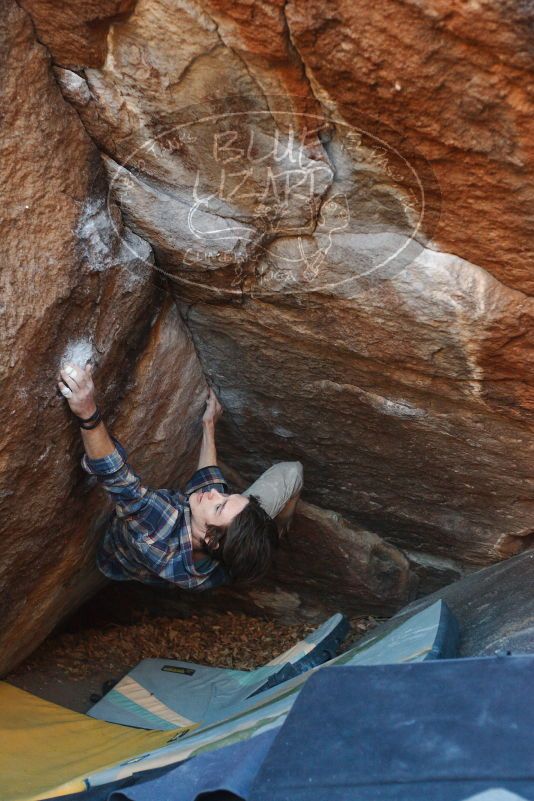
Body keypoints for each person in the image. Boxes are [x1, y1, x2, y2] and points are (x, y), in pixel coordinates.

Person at [57, 361, 303, 590]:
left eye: (219, 506)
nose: (215, 493)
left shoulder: (158, 527)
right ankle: (275, 524)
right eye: (229, 496)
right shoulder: (231, 557)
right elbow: (288, 472)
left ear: (211, 540)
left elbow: (117, 478)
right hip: (185, 560)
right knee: (290, 474)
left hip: (120, 557)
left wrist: (87, 412)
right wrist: (209, 426)